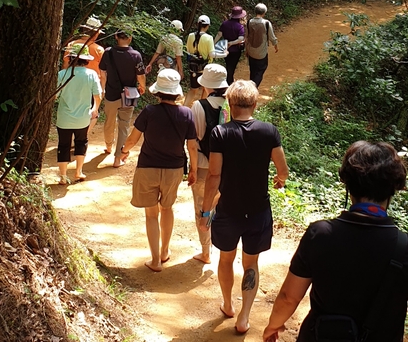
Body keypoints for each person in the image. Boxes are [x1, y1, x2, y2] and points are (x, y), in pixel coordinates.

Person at [262, 141, 408, 342]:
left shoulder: (320, 234)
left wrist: (273, 326)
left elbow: (288, 297)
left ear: (348, 185)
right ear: (393, 189)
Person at [197, 79, 289, 335]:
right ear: (255, 103)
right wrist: (279, 180)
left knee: (226, 259)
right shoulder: (269, 131)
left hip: (228, 209)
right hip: (258, 211)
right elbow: (283, 170)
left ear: (230, 103)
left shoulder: (221, 133)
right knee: (251, 263)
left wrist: (206, 212)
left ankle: (228, 304)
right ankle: (244, 317)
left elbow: (214, 176)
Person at [118, 69, 197, 271]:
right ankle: (165, 251)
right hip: (174, 170)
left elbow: (133, 139)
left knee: (151, 215)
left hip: (148, 168)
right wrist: (194, 169)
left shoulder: (149, 112)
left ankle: (155, 260)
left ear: (158, 92)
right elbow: (192, 146)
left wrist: (123, 151)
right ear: (176, 92)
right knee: (167, 208)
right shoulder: (186, 114)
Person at [190, 63, 228, 264]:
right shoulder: (233, 104)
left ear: (206, 85)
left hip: (205, 165)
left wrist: (192, 168)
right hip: (229, 167)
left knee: (202, 207)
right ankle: (224, 247)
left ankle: (206, 252)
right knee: (220, 206)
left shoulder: (199, 106)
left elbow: (195, 140)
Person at [52, 46, 102, 185]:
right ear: (86, 60)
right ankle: (78, 172)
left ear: (70, 58)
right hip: (83, 118)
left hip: (64, 117)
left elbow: (55, 96)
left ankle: (62, 176)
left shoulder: (62, 74)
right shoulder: (91, 74)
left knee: (63, 145)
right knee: (81, 142)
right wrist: (95, 109)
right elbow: (98, 95)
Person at [100, 29, 147, 165]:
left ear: (116, 36)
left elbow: (103, 73)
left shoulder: (108, 52)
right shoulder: (135, 55)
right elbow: (141, 75)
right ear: (130, 38)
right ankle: (117, 158)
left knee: (109, 121)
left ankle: (109, 146)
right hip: (129, 94)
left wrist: (103, 88)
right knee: (124, 125)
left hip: (111, 94)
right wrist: (142, 86)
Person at [65, 15, 107, 89]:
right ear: (95, 33)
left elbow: (65, 65)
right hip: (91, 85)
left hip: (72, 83)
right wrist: (102, 88)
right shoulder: (99, 50)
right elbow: (102, 72)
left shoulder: (72, 44)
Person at [245, 3, 278, 88]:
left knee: (253, 70)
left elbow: (247, 37)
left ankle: (250, 86)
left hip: (251, 51)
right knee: (261, 70)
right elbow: (272, 37)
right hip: (261, 53)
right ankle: (252, 89)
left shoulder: (249, 22)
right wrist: (275, 46)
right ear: (264, 13)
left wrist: (246, 50)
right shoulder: (266, 23)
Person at [185, 15, 215, 106]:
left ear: (197, 24)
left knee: (193, 89)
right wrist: (224, 54)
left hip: (193, 67)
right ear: (207, 26)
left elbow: (188, 51)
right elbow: (212, 54)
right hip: (205, 67)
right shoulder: (209, 38)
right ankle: (201, 109)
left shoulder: (190, 36)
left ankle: (183, 108)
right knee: (206, 89)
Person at [215, 7, 247, 82]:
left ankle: (229, 80)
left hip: (225, 48)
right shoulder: (240, 26)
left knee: (228, 64)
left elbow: (219, 34)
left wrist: (213, 43)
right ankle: (229, 82)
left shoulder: (225, 23)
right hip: (235, 50)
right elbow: (241, 38)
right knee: (231, 67)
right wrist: (232, 43)